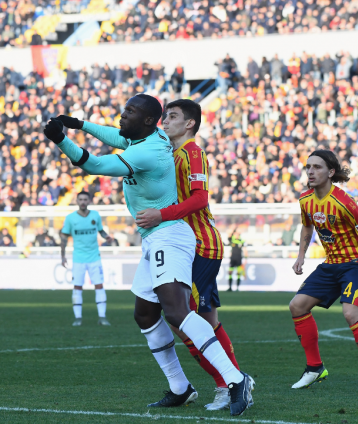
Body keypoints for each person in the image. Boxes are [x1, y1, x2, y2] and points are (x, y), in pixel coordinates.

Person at [46, 94, 253, 415]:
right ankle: (181, 387)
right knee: (145, 314)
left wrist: (61, 139)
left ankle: (234, 379)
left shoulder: (156, 150)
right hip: (155, 237)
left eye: (128, 111)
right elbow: (116, 135)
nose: (121, 115)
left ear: (146, 120)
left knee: (181, 313)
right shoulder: (151, 138)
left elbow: (94, 165)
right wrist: (79, 124)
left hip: (173, 235)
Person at [134, 99, 242, 411]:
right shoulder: (170, 154)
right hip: (178, 245)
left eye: (172, 116)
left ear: (190, 123)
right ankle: (223, 383)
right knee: (198, 320)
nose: (164, 122)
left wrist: (161, 215)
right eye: (164, 117)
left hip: (200, 245)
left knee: (185, 319)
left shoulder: (193, 153)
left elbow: (200, 199)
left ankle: (228, 384)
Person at [290, 150, 358, 393]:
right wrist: (301, 255)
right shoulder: (305, 199)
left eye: (317, 167)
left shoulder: (344, 201)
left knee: (351, 314)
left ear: (331, 172)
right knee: (297, 306)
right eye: (308, 167)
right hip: (331, 264)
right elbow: (307, 227)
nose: (310, 171)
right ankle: (314, 368)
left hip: (356, 264)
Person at [61, 191, 111, 326]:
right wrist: (63, 256)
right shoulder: (70, 218)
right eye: (80, 199)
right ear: (77, 201)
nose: (83, 202)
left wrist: (106, 236)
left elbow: (101, 230)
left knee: (99, 285)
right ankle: (78, 318)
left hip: (94, 257)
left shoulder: (95, 215)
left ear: (89, 201)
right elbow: (64, 237)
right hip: (78, 258)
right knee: (77, 287)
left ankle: (102, 317)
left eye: (85, 199)